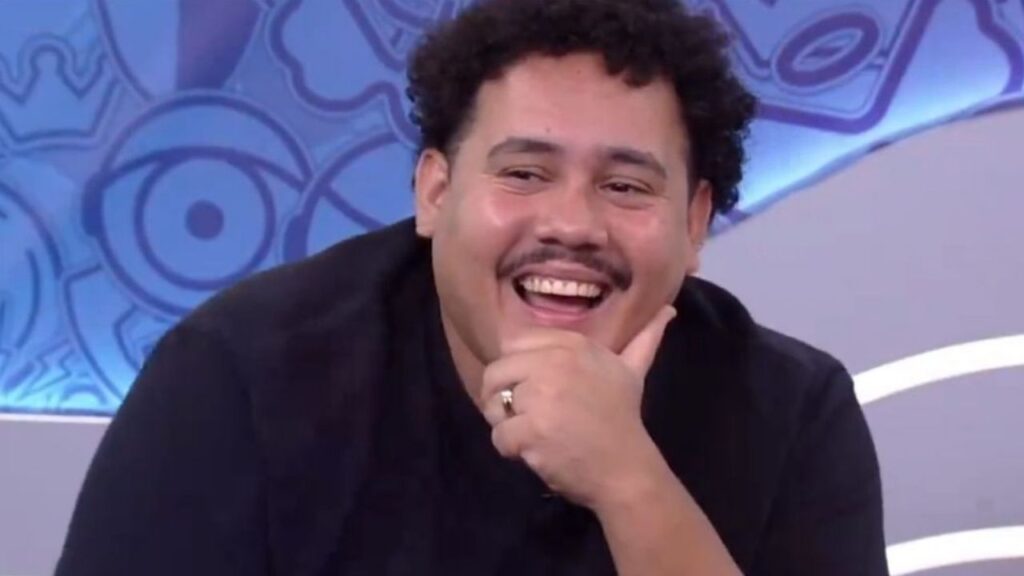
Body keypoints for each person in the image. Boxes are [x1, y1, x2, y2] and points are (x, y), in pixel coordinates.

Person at [56, 0, 889, 574]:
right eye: (524, 172)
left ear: (695, 221)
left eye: (626, 186)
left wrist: (629, 481)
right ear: (434, 193)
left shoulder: (793, 412)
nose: (573, 224)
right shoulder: (241, 375)